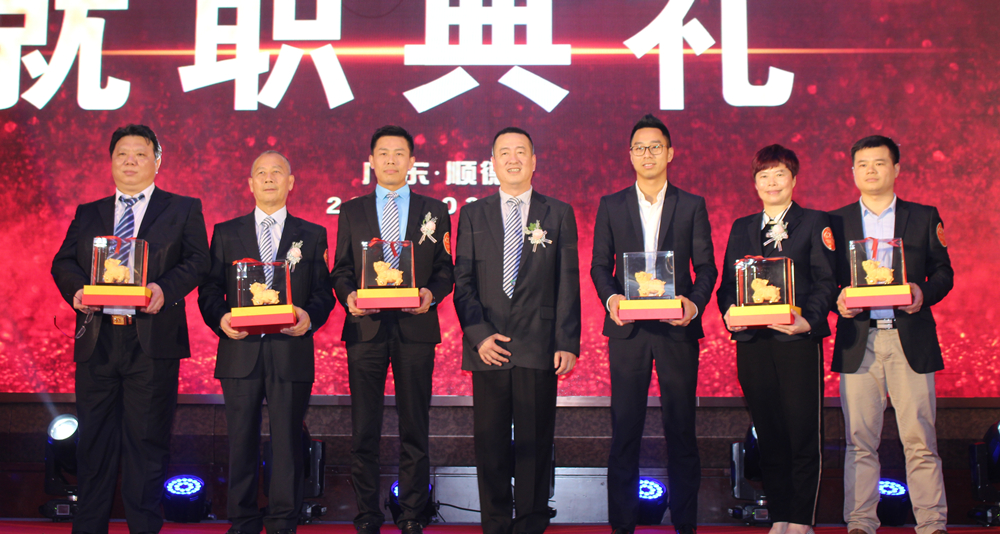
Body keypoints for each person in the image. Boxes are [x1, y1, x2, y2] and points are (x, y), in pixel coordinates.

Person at [51, 124, 210, 534]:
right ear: (110, 162)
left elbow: (198, 261)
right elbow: (63, 262)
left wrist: (164, 289)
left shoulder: (182, 208)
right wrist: (77, 290)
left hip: (152, 341)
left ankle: (143, 527)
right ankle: (89, 527)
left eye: (140, 154)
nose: (130, 161)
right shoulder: (90, 211)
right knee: (93, 442)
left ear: (157, 161)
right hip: (98, 340)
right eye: (122, 154)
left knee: (147, 442)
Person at [591, 114, 717, 534]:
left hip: (676, 329)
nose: (648, 154)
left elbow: (706, 268)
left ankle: (685, 524)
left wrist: (691, 305)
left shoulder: (691, 204)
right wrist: (612, 299)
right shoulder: (611, 205)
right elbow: (599, 266)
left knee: (681, 428)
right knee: (625, 428)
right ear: (630, 155)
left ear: (670, 153)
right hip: (627, 331)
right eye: (640, 148)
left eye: (655, 147)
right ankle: (622, 524)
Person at [197, 151, 335, 534]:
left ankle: (282, 521)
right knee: (241, 439)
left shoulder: (312, 234)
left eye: (277, 172)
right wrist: (220, 318)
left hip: (291, 351)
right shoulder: (226, 232)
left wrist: (309, 317)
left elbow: (324, 293)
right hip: (239, 351)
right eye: (261, 173)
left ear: (291, 183)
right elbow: (209, 289)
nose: (269, 178)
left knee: (288, 441)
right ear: (250, 183)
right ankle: (242, 519)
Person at [453, 127, 581, 534]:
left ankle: (530, 522)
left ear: (534, 161)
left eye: (521, 151)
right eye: (504, 152)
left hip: (538, 344)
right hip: (488, 346)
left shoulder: (558, 213)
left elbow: (567, 282)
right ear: (492, 162)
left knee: (535, 443)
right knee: (489, 443)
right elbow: (463, 282)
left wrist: (566, 341)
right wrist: (479, 335)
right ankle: (494, 523)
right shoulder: (473, 214)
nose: (513, 159)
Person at [331, 125, 454, 534]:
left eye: (399, 153)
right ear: (371, 161)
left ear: (411, 162)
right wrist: (348, 296)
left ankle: (413, 512)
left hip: (415, 327)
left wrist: (431, 295)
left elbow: (445, 270)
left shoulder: (434, 210)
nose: (390, 160)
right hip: (364, 328)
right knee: (363, 427)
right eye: (382, 153)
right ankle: (367, 513)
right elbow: (341, 270)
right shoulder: (352, 211)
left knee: (414, 425)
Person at [830, 135, 953, 534]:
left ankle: (931, 522)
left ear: (896, 168)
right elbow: (824, 280)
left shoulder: (923, 216)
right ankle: (860, 521)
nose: (871, 171)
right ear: (852, 172)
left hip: (908, 339)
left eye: (880, 163)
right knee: (859, 440)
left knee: (920, 438)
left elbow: (944, 273)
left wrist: (922, 292)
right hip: (859, 341)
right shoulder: (835, 221)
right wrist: (837, 301)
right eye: (863, 164)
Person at [717, 144, 837, 534]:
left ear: (794, 179)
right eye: (764, 176)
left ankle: (801, 519)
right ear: (755, 183)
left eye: (779, 174)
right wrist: (729, 314)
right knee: (767, 433)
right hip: (753, 346)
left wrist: (808, 321)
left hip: (796, 342)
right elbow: (727, 287)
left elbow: (825, 282)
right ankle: (780, 515)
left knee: (802, 432)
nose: (772, 183)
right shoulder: (741, 227)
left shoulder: (815, 222)